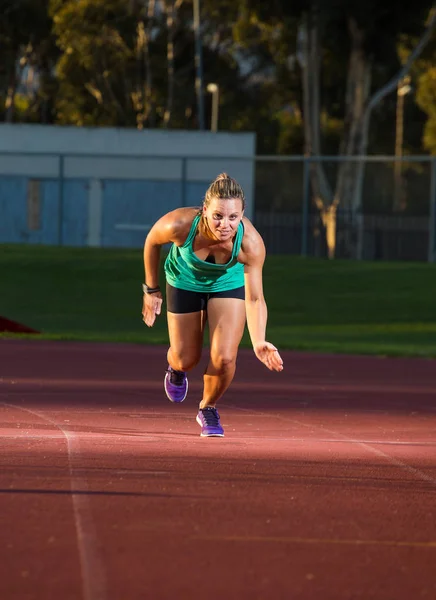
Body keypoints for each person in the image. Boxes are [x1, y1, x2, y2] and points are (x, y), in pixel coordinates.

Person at [142, 172, 283, 437]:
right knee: (187, 358)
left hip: (226, 285)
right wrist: (151, 289)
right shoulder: (181, 224)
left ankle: (208, 406)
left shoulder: (250, 244)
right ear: (205, 210)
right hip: (184, 281)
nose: (225, 225)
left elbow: (254, 297)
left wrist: (259, 340)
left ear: (242, 215)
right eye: (218, 216)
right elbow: (152, 241)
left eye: (233, 217)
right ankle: (176, 368)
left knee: (226, 357)